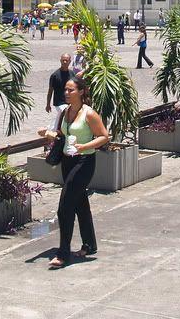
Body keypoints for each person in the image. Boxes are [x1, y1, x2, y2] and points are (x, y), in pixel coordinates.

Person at [43, 75, 109, 268]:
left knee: (65, 206)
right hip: (67, 161)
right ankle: (89, 244)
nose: (66, 93)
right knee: (80, 203)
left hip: (84, 161)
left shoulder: (89, 114)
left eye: (70, 90)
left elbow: (104, 136)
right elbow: (63, 134)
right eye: (65, 90)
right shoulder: (65, 112)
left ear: (81, 92)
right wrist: (48, 134)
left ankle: (63, 253)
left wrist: (84, 146)